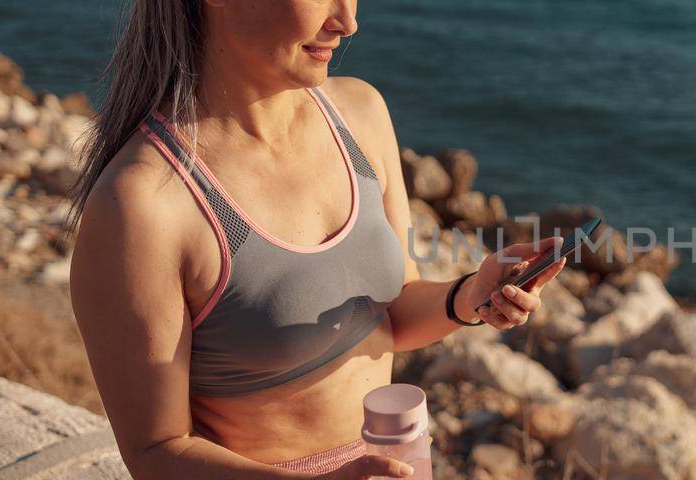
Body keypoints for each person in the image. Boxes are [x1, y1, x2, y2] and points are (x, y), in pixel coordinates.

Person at [64, 1, 566, 478]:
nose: (347, 22)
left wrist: (469, 296)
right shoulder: (141, 205)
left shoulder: (360, 114)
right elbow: (157, 453)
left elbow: (391, 313)